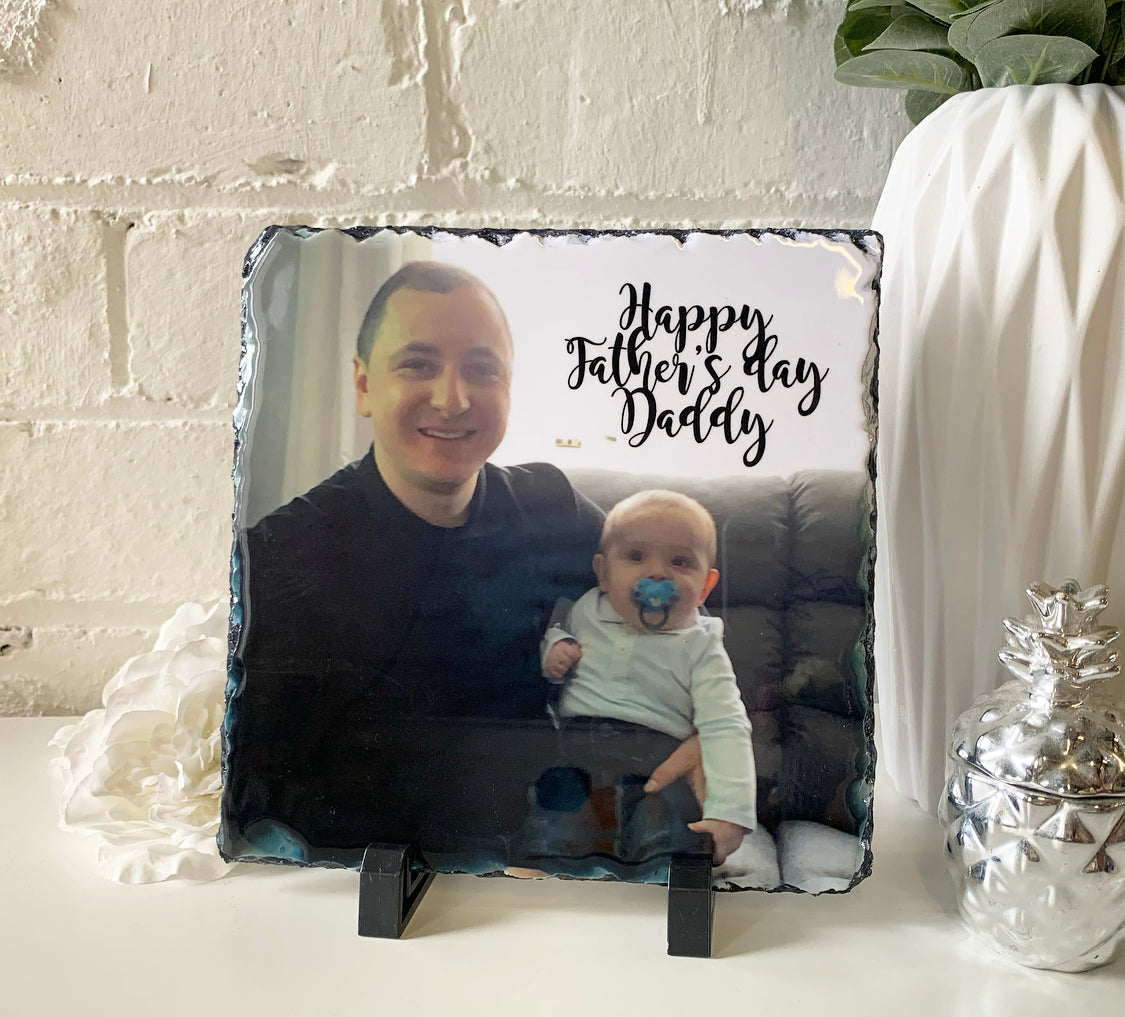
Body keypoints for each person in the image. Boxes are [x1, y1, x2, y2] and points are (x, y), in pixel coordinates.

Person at [224, 261, 705, 864]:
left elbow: (679, 596)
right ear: (364, 386)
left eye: (482, 369)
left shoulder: (547, 504)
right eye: (418, 365)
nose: (452, 399)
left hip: (551, 841)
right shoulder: (280, 558)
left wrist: (710, 735)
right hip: (387, 874)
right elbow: (256, 790)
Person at [538, 490, 756, 865]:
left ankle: (662, 868)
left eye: (679, 561)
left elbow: (726, 725)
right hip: (575, 756)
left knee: (667, 841)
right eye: (636, 556)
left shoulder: (702, 646)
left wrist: (730, 812)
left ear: (705, 586)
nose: (657, 573)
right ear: (603, 573)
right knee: (550, 833)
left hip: (657, 766)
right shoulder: (585, 609)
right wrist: (556, 647)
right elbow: (555, 635)